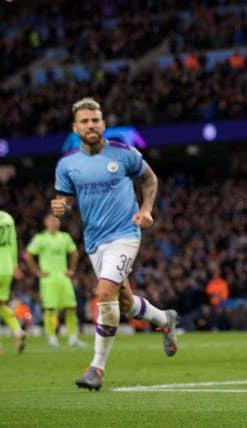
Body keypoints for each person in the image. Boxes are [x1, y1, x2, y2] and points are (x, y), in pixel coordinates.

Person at [51, 97, 178, 390]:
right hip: (94, 241)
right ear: (75, 128)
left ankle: (96, 368)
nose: (91, 125)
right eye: (84, 121)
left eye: (95, 120)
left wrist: (146, 209)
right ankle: (165, 319)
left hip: (125, 235)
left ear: (103, 124)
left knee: (104, 292)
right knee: (123, 302)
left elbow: (149, 179)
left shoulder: (123, 154)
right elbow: (64, 199)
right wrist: (61, 207)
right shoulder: (67, 164)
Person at [24, 213, 85, 348]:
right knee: (50, 310)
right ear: (46, 223)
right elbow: (27, 255)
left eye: (56, 219)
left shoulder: (65, 237)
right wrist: (36, 272)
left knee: (71, 308)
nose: (54, 222)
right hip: (48, 279)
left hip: (64, 279)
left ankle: (73, 338)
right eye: (51, 219)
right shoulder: (40, 238)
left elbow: (74, 253)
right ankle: (52, 338)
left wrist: (72, 270)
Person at [0, 210, 26, 354]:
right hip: (6, 267)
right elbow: (13, 243)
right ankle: (18, 331)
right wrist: (15, 265)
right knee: (1, 304)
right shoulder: (8, 218)